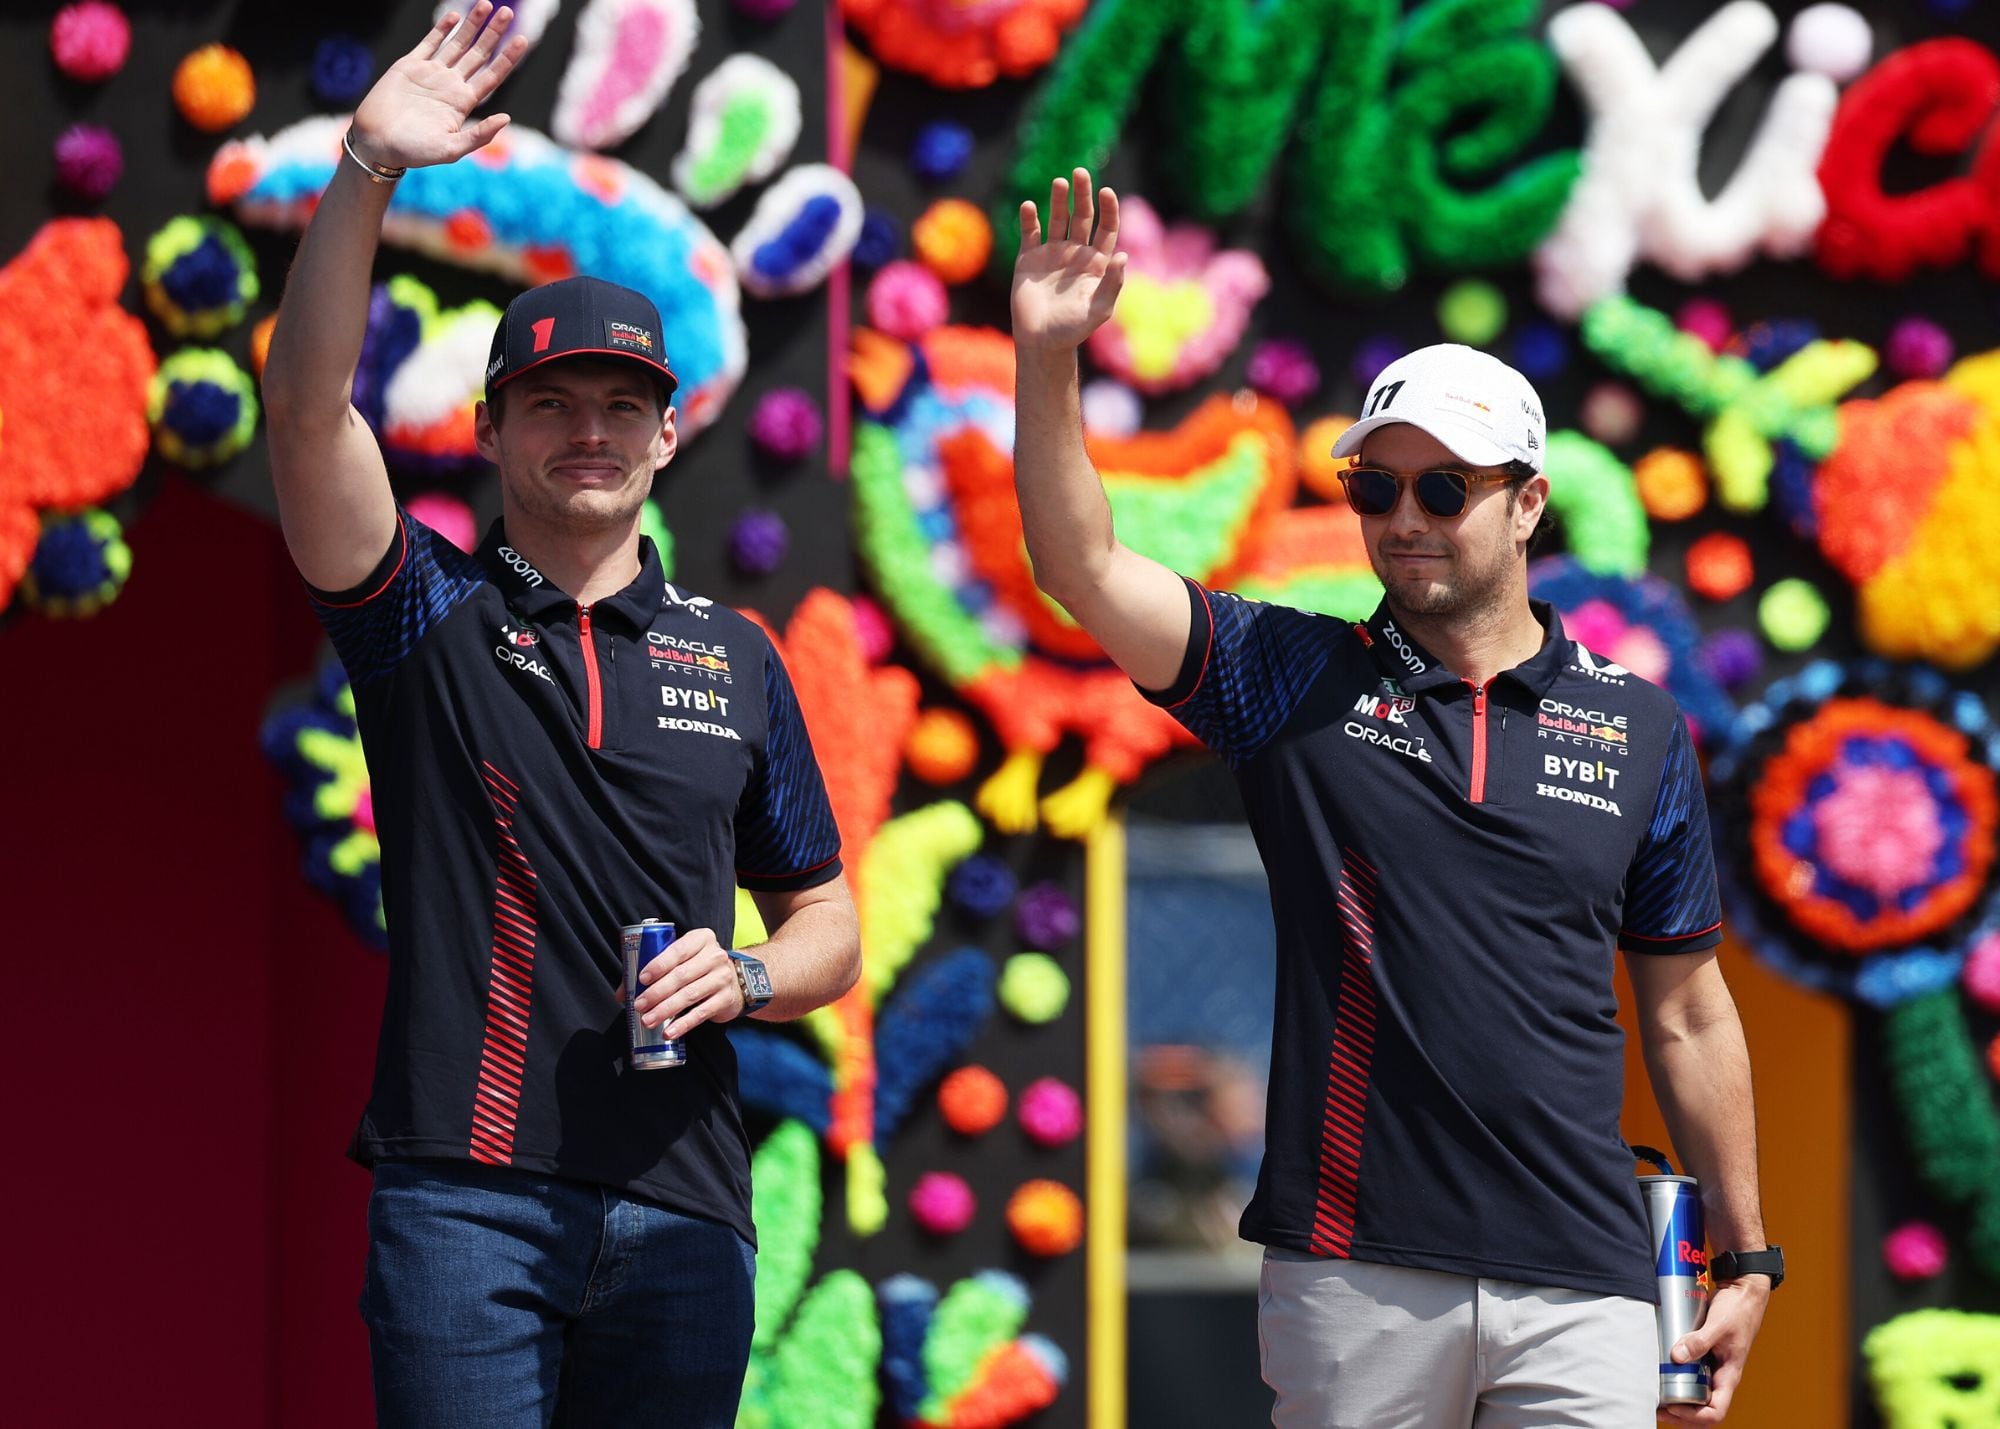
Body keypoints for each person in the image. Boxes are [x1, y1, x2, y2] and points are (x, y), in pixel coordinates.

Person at [1010, 168, 1779, 1428]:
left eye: (1442, 488)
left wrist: (1744, 1253)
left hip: (1585, 1278)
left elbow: (1687, 1013)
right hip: (1352, 1274)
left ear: (1528, 501)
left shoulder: (1636, 727)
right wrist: (1048, 360)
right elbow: (1079, 565)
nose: (1401, 518)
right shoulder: (1288, 676)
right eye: (1375, 487)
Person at [259, 8, 861, 1424]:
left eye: (619, 402)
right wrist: (365, 169)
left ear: (669, 431)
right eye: (549, 401)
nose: (586, 428)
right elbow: (301, 418)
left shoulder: (741, 654)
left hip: (690, 1211)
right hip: (467, 1210)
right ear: (490, 426)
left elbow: (829, 920)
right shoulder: (430, 614)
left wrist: (753, 976)